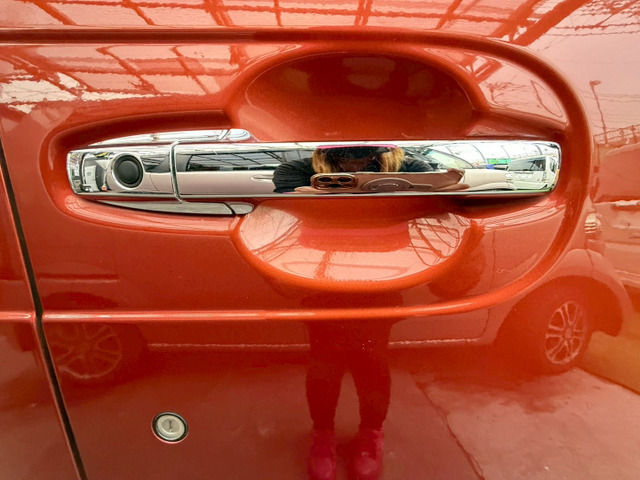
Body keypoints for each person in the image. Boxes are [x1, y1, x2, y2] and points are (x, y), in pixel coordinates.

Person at [273, 146, 426, 480]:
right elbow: (286, 202)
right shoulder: (297, 170)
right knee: (324, 364)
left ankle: (371, 433)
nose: (356, 157)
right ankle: (323, 436)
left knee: (372, 362)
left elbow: (437, 192)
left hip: (381, 277)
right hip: (321, 278)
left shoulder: (410, 166)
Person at [272, 144, 433, 194]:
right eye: (344, 158)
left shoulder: (414, 168)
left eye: (369, 155)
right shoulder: (293, 170)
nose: (356, 164)